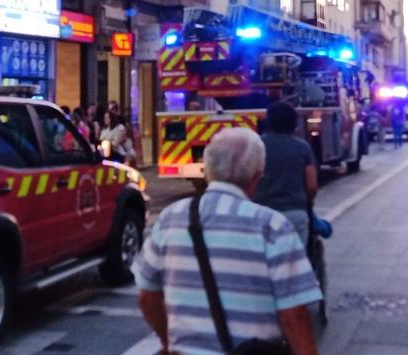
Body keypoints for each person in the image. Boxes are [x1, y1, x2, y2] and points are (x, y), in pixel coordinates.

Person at [134, 127, 321, 355]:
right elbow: (295, 315)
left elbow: (147, 298)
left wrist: (168, 342)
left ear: (207, 172)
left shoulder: (169, 220)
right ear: (257, 177)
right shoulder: (273, 227)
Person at [255, 102, 319, 245]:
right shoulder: (303, 147)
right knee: (296, 262)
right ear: (294, 122)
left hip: (261, 214)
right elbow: (312, 186)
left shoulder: (256, 145)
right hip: (295, 214)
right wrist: (307, 203)